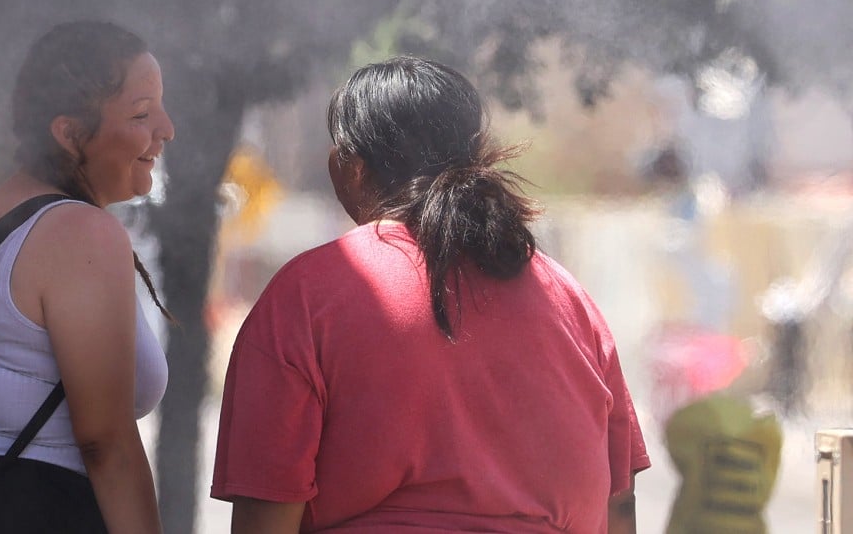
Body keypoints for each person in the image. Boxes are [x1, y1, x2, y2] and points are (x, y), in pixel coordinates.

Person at [211, 56, 649, 533]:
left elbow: (264, 516)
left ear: (349, 167)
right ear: (477, 157)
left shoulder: (306, 295)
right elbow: (617, 506)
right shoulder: (569, 299)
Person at [0, 20, 173, 533]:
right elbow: (106, 444)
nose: (166, 128)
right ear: (69, 133)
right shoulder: (79, 233)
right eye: (141, 112)